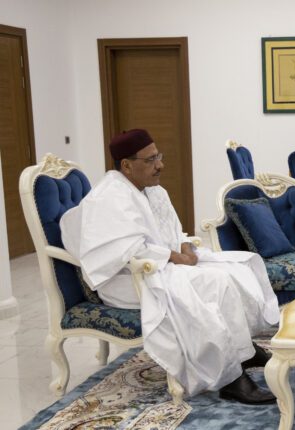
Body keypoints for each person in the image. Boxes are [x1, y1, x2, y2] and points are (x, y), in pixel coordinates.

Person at [60, 129, 279, 404]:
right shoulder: (109, 198)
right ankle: (229, 378)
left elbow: (173, 233)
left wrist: (185, 248)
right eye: (151, 160)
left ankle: (243, 351)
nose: (160, 165)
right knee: (214, 283)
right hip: (128, 280)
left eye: (158, 156)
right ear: (126, 165)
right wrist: (177, 257)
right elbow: (128, 250)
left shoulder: (154, 191)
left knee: (236, 269)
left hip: (159, 266)